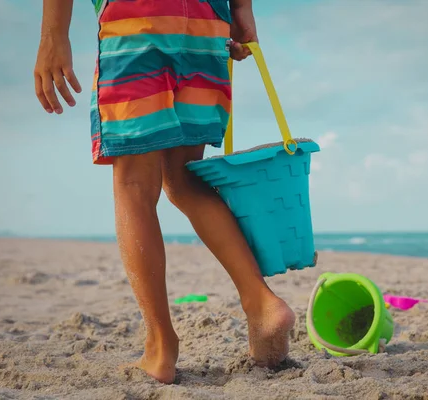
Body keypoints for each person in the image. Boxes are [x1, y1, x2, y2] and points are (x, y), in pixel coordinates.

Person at [34, 0, 295, 384]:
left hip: (138, 20)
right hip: (206, 25)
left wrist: (53, 35)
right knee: (186, 180)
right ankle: (261, 303)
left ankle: (160, 346)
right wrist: (241, 10)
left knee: (134, 186)